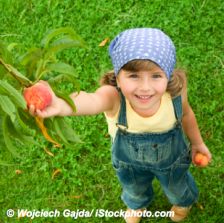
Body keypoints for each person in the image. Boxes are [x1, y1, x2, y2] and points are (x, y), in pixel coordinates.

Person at [29, 28, 212, 223]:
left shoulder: (174, 96)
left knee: (177, 185)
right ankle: (137, 204)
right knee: (134, 187)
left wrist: (197, 143)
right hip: (129, 164)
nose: (145, 87)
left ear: (168, 75)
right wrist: (61, 104)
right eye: (133, 76)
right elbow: (91, 100)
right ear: (117, 77)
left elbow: (187, 115)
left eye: (156, 76)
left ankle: (182, 201)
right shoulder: (114, 98)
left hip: (172, 160)